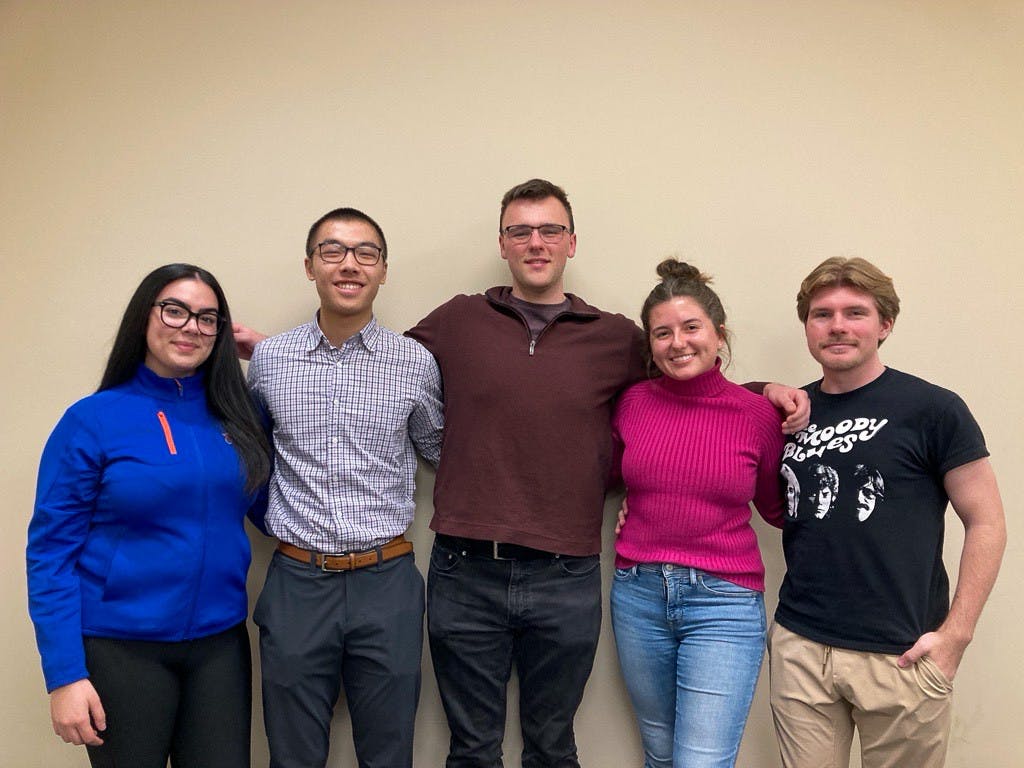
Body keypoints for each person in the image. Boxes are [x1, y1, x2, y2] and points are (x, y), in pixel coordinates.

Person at [405, 179, 810, 768]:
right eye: (521, 230)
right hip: (465, 568)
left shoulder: (617, 336)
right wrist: (279, 350)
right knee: (471, 749)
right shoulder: (459, 319)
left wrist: (761, 393)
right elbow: (376, 366)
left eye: (550, 230)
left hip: (565, 573)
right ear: (503, 243)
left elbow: (688, 381)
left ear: (572, 243)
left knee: (552, 747)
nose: (535, 242)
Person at [27, 263, 271, 768]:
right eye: (175, 310)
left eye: (208, 318)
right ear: (145, 317)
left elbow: (275, 507)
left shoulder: (238, 415)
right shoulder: (91, 420)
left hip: (219, 647)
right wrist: (65, 675)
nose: (191, 327)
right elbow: (50, 554)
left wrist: (272, 353)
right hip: (121, 649)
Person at [769, 257, 1006, 768]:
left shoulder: (933, 409)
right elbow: (719, 403)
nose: (837, 326)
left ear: (885, 324)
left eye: (855, 312)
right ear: (806, 326)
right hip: (801, 645)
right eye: (821, 314)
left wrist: (955, 636)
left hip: (901, 653)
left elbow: (987, 521)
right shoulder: (791, 412)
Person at [245, 207, 443, 768]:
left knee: (388, 753)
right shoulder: (271, 360)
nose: (349, 264)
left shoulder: (414, 363)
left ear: (384, 270)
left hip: (388, 581)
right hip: (296, 581)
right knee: (292, 754)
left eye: (366, 253)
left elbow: (443, 451)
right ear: (310, 266)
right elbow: (245, 450)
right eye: (332, 251)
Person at [610, 259, 785, 768]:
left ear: (718, 334)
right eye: (662, 333)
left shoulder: (757, 415)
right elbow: (625, 478)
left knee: (701, 762)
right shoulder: (633, 403)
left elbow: (776, 510)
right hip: (638, 595)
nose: (677, 343)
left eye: (691, 327)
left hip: (723, 604)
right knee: (660, 752)